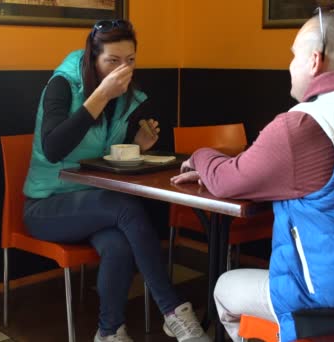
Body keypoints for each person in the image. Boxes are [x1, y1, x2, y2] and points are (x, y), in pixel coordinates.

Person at [170, 7, 334, 342]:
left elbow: (227, 180)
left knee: (225, 289)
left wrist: (200, 156)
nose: (289, 65)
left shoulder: (306, 125)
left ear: (315, 60)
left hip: (329, 303)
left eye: (293, 55)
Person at [22, 19, 210, 342]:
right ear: (92, 58)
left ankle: (109, 332)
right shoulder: (63, 85)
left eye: (130, 61)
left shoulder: (124, 98)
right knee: (125, 206)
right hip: (46, 206)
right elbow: (54, 148)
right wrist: (100, 96)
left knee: (119, 245)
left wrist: (137, 143)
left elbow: (102, 155)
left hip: (93, 204)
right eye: (112, 60)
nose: (122, 70)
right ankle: (173, 311)